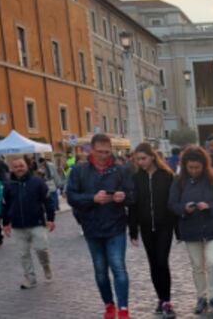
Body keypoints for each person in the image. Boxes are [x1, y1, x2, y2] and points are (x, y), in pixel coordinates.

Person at [67, 134, 135, 319]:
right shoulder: (79, 171)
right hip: (92, 227)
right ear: (91, 149)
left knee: (118, 267)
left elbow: (132, 195)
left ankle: (123, 309)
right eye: (100, 152)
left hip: (116, 226)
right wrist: (92, 198)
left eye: (107, 152)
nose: (104, 155)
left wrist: (124, 197)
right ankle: (108, 305)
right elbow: (71, 197)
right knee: (100, 271)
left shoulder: (120, 170)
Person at [169, 146, 213, 315]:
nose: (194, 171)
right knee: (197, 266)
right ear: (185, 166)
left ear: (204, 165)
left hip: (212, 227)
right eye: (190, 168)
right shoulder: (178, 180)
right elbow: (172, 204)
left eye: (197, 167)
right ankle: (201, 297)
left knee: (212, 262)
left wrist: (210, 206)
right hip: (190, 228)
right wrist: (184, 209)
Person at [128, 143, 177, 319]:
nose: (141, 162)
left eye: (143, 158)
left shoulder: (167, 176)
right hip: (147, 228)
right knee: (154, 264)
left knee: (163, 262)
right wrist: (133, 231)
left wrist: (178, 230)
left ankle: (167, 301)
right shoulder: (136, 178)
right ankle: (160, 298)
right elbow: (132, 206)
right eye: (137, 159)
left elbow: (173, 203)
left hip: (165, 226)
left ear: (152, 157)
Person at [2, 156, 56, 288]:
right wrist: (5, 223)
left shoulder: (38, 182)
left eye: (21, 165)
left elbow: (48, 201)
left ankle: (46, 267)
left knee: (41, 249)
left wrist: (50, 219)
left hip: (37, 223)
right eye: (16, 166)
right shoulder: (8, 185)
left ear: (27, 166)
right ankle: (30, 279)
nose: (19, 168)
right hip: (18, 226)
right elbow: (5, 205)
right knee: (23, 254)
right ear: (12, 169)